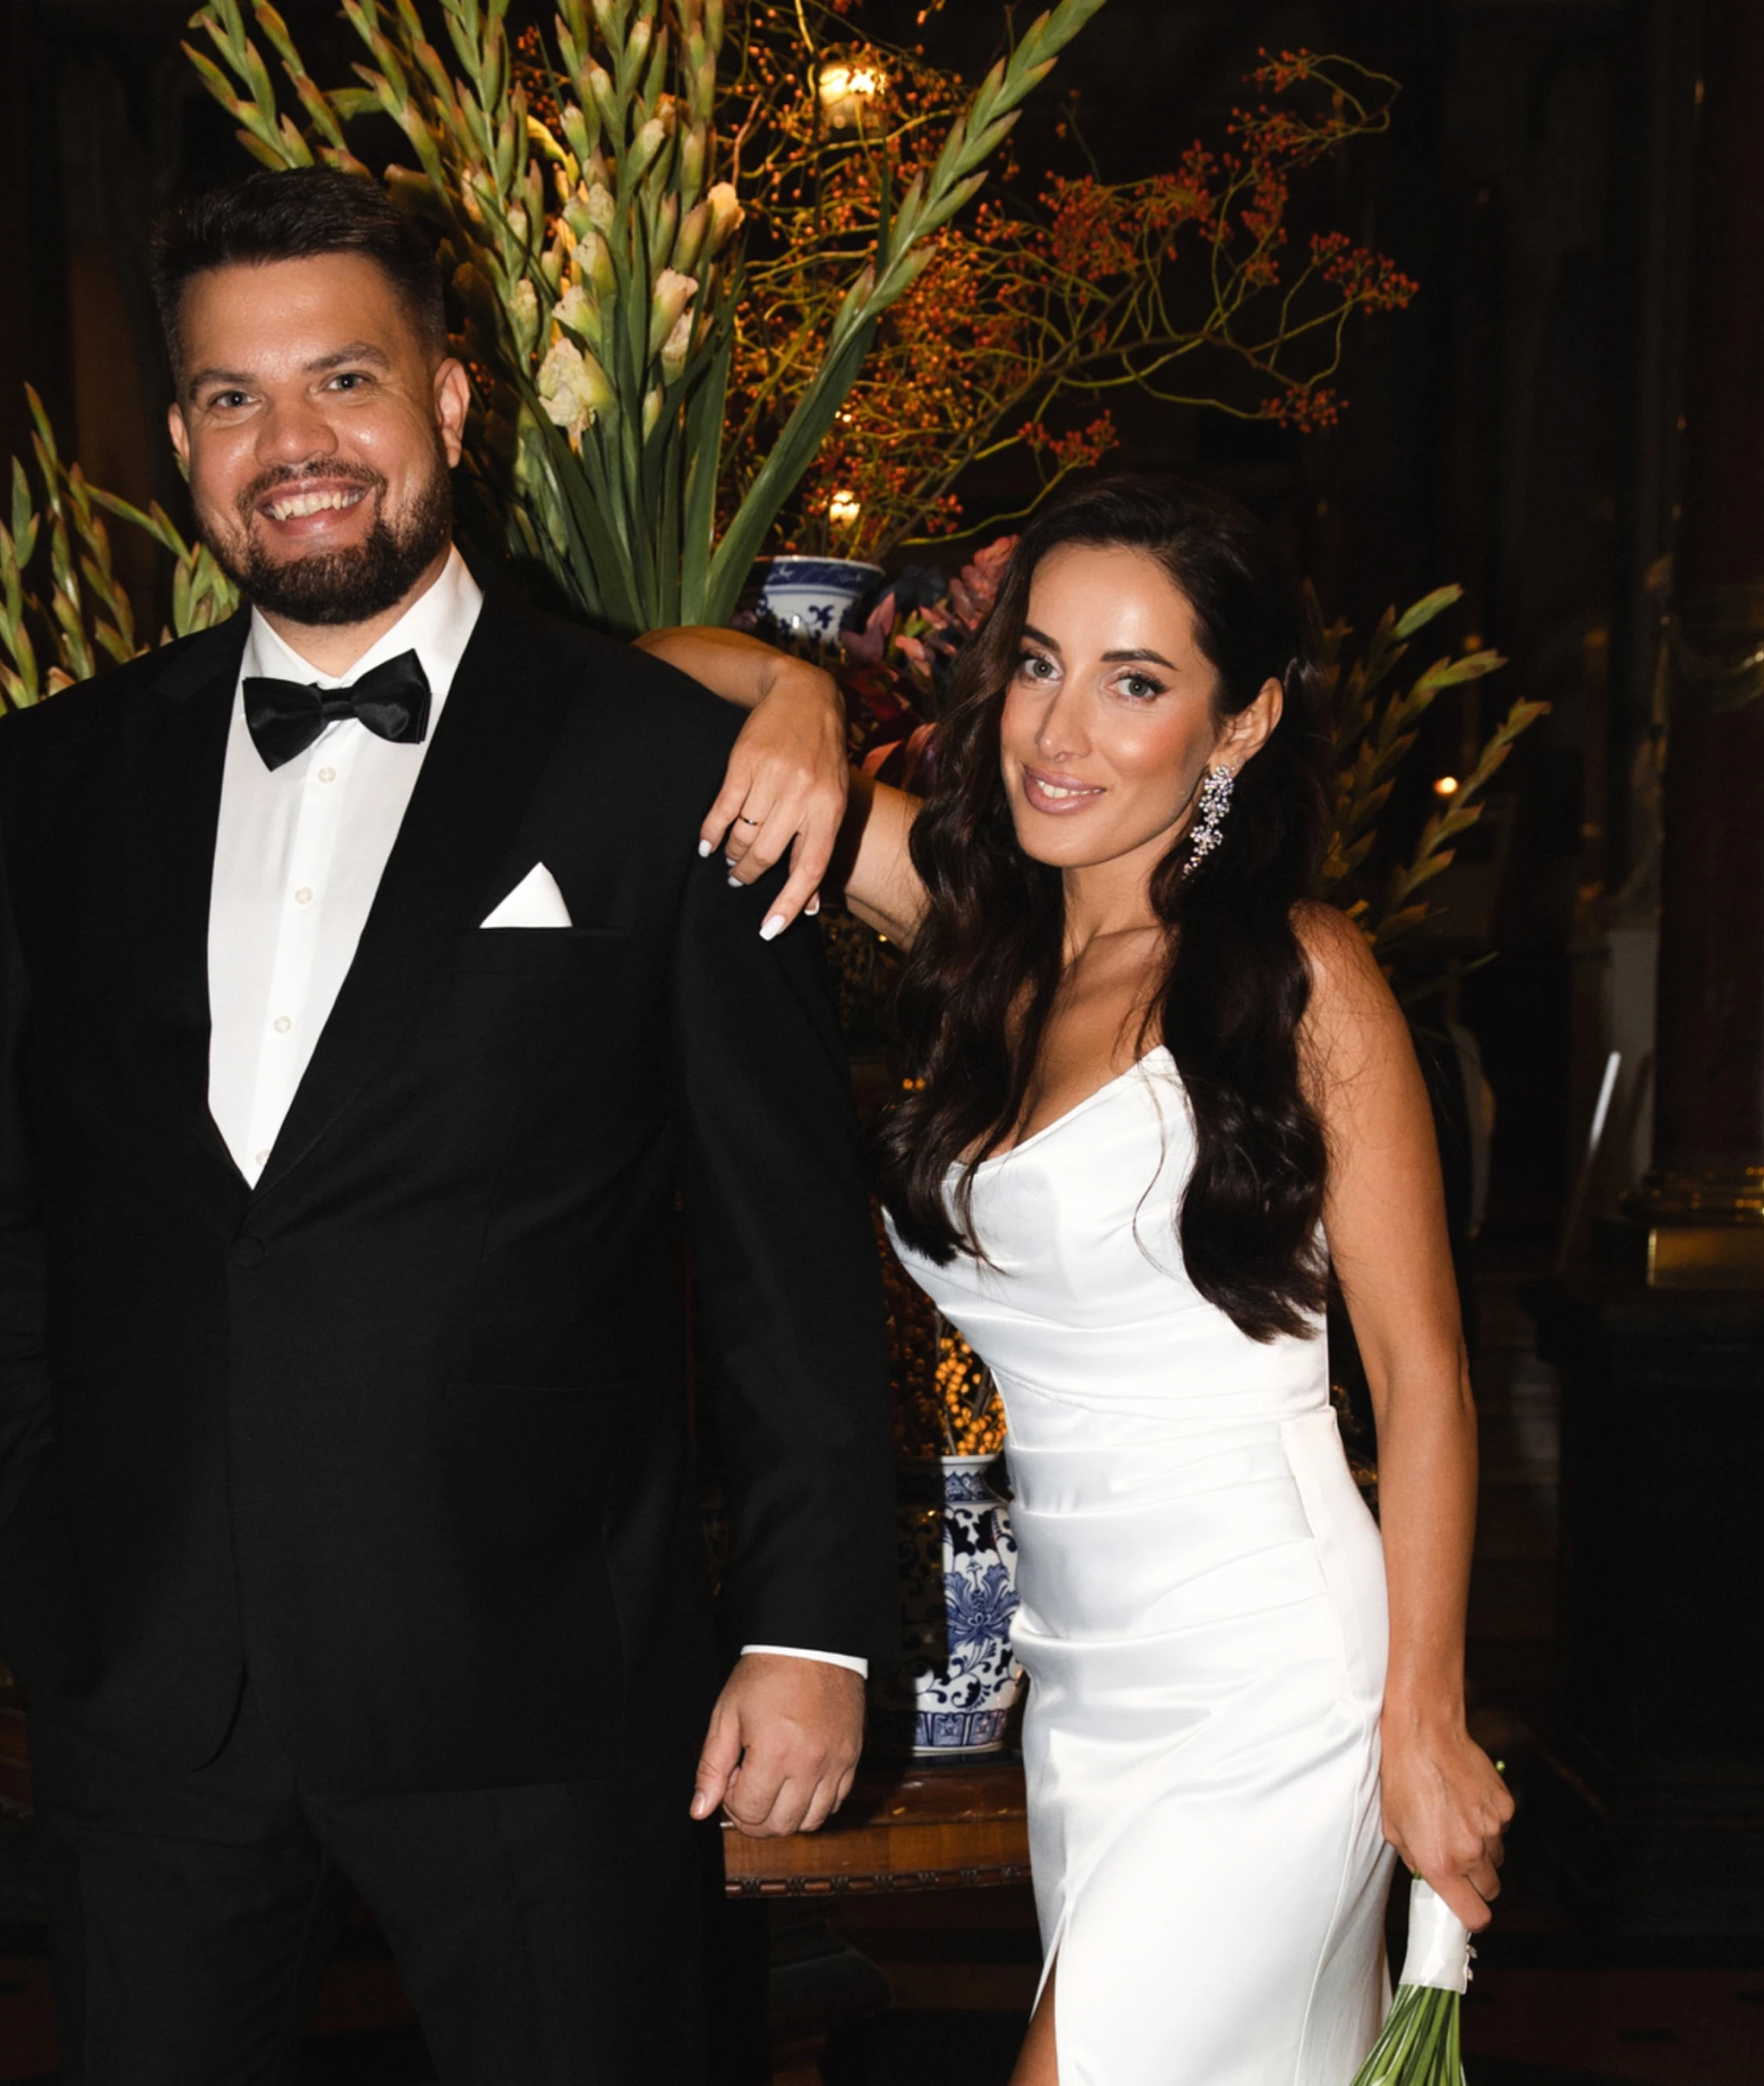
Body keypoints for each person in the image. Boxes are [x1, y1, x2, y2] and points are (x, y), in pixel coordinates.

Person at [0, 166, 896, 2086]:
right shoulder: (57, 778)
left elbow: (782, 1243)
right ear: (181, 438)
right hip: (152, 1682)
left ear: (448, 400)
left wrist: (814, 1631)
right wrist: (43, 1532)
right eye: (233, 396)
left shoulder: (663, 766)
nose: (292, 444)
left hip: (538, 1685)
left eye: (344, 380)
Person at [644, 473, 1515, 2085]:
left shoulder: (1301, 977)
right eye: (1038, 663)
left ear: (1239, 726)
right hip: (1083, 1683)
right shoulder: (976, 945)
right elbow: (647, 680)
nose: (1057, 731)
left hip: (1272, 1670)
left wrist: (1427, 1718)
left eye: (1135, 682)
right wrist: (796, 691)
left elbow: (1427, 1384)